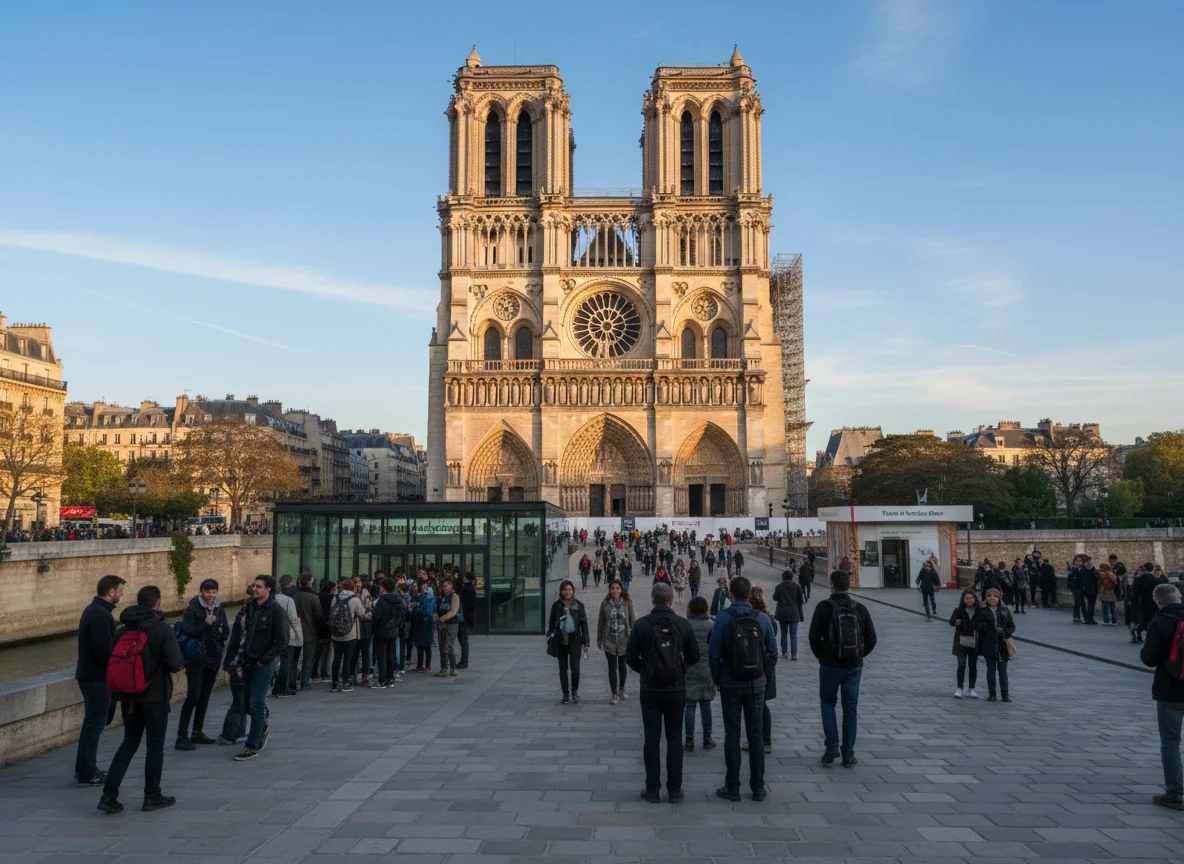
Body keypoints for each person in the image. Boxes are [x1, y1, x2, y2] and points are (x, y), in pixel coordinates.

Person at [97, 585, 185, 814]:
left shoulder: (123, 630)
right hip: (155, 697)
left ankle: (109, 795)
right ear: (157, 604)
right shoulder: (162, 629)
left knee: (129, 743)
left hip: (128, 697)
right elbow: (176, 663)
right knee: (155, 746)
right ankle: (152, 796)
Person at [625, 581, 698, 803]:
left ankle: (653, 789)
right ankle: (674, 790)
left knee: (652, 738)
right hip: (676, 688)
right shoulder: (683, 624)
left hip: (650, 689)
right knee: (675, 738)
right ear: (671, 600)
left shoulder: (642, 624)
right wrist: (678, 669)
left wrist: (647, 670)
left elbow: (630, 658)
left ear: (652, 600)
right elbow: (694, 656)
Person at [709, 576, 778, 801]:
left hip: (730, 683)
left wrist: (718, 679)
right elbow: (773, 652)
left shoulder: (722, 618)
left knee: (732, 734)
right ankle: (758, 787)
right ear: (749, 596)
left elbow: (714, 653)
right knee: (756, 735)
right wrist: (763, 677)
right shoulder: (762, 618)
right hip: (756, 684)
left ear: (730, 595)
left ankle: (732, 787)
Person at [808, 570, 876, 768]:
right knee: (850, 708)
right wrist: (859, 655)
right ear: (848, 586)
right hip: (853, 666)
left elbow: (813, 637)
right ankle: (848, 753)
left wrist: (822, 655)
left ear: (831, 586)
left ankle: (831, 746)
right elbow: (872, 638)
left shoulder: (823, 607)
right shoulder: (860, 608)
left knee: (827, 703)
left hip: (830, 665)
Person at [230, 575, 288, 761]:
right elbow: (244, 637)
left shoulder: (275, 610)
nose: (254, 589)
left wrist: (265, 660)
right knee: (246, 704)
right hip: (248, 663)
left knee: (256, 705)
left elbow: (281, 640)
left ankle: (251, 746)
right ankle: (262, 726)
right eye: (253, 586)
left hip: (263, 665)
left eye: (258, 587)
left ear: (268, 589)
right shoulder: (251, 608)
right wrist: (239, 662)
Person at [74, 574, 125, 787]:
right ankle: (87, 772)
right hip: (96, 678)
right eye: (120, 590)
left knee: (94, 724)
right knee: (94, 726)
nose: (122, 594)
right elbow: (104, 651)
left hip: (92, 676)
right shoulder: (100, 615)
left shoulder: (95, 611)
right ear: (111, 592)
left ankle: (85, 769)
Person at [1139, 583, 1184, 810]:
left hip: (1171, 690)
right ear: (1179, 596)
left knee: (1170, 742)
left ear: (1158, 603)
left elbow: (1149, 658)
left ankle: (1174, 794)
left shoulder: (1160, 622)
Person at [175, 579, 229, 751]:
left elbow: (225, 631)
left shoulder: (219, 608)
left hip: (213, 657)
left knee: (204, 697)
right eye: (208, 592)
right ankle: (181, 736)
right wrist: (205, 624)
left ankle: (197, 731)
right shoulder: (192, 609)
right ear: (201, 592)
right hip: (196, 658)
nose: (211, 595)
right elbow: (188, 631)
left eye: (214, 592)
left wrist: (220, 631)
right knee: (193, 697)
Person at [217, 586, 251, 746]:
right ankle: (228, 735)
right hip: (239, 665)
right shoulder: (247, 616)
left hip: (236, 663)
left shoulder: (242, 613)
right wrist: (238, 665)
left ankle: (237, 733)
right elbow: (241, 644)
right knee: (239, 702)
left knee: (240, 701)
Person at [683, 595, 717, 752]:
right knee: (705, 705)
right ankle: (707, 738)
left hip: (689, 669)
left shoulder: (685, 625)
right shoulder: (712, 625)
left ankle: (689, 739)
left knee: (690, 705)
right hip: (707, 670)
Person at [547, 580, 589, 703]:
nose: (567, 592)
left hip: (575, 639)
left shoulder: (579, 605)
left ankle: (574, 691)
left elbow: (584, 624)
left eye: (570, 589)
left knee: (575, 667)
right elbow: (551, 622)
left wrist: (586, 642)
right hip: (561, 640)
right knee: (563, 668)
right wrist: (551, 634)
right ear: (561, 591)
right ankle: (565, 693)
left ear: (573, 591)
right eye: (565, 589)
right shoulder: (557, 605)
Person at [597, 579, 636, 704]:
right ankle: (614, 694)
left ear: (621, 590)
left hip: (624, 640)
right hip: (609, 640)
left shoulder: (628, 603)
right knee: (612, 667)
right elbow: (601, 623)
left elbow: (633, 622)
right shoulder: (605, 604)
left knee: (622, 664)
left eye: (617, 588)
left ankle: (622, 688)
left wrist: (635, 640)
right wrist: (599, 640)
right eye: (613, 588)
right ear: (610, 590)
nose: (615, 591)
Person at [975, 587, 1015, 702]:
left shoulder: (1004, 610)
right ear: (986, 598)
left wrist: (1004, 632)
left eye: (995, 596)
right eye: (989, 596)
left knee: (1003, 671)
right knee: (990, 671)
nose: (992, 598)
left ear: (999, 598)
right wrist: (986, 626)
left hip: (1002, 645)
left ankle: (1005, 694)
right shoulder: (982, 611)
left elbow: (1011, 626)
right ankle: (992, 694)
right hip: (988, 644)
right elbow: (977, 625)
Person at [272, 575, 301, 697]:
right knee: (286, 662)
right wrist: (299, 637)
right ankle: (282, 688)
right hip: (286, 635)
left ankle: (275, 687)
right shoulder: (288, 600)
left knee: (273, 662)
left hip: (271, 635)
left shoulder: (270, 600)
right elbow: (293, 620)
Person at [294, 573, 323, 689]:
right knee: (308, 658)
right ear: (310, 582)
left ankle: (291, 682)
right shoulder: (314, 597)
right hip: (310, 631)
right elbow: (318, 616)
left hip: (296, 631)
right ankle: (305, 682)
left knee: (294, 659)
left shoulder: (295, 596)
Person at [949, 589, 980, 699]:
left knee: (973, 665)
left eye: (971, 598)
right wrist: (956, 622)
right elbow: (951, 621)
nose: (969, 600)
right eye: (967, 598)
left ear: (975, 599)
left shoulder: (979, 611)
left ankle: (971, 688)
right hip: (961, 642)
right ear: (963, 599)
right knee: (961, 665)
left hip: (975, 642)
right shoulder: (958, 610)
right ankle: (959, 688)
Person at [434, 575, 463, 677]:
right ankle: (444, 669)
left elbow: (453, 612)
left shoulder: (455, 596)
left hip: (452, 624)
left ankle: (453, 668)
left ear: (452, 586)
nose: (445, 587)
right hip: (442, 624)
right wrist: (436, 617)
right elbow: (437, 610)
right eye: (443, 585)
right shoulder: (442, 597)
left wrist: (441, 618)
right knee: (442, 646)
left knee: (448, 646)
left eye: (447, 585)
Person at [772, 569, 805, 659]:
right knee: (793, 634)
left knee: (784, 633)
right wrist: (801, 616)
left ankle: (784, 652)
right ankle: (794, 654)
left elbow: (774, 598)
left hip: (782, 613)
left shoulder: (779, 587)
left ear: (783, 577)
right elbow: (800, 602)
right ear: (792, 578)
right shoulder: (797, 587)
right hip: (794, 613)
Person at [458, 571, 476, 669]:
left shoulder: (467, 588)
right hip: (466, 617)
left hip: (464, 617)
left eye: (464, 576)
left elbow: (466, 605)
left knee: (463, 639)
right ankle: (464, 660)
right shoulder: (469, 587)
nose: (462, 578)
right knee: (463, 639)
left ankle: (464, 661)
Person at [1080, 555, 1100, 625]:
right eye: (1090, 562)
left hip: (1089, 590)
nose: (1091, 563)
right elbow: (1094, 577)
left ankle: (1089, 619)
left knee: (1090, 605)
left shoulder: (1084, 569)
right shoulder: (1087, 570)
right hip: (1090, 590)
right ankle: (1089, 619)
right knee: (1091, 605)